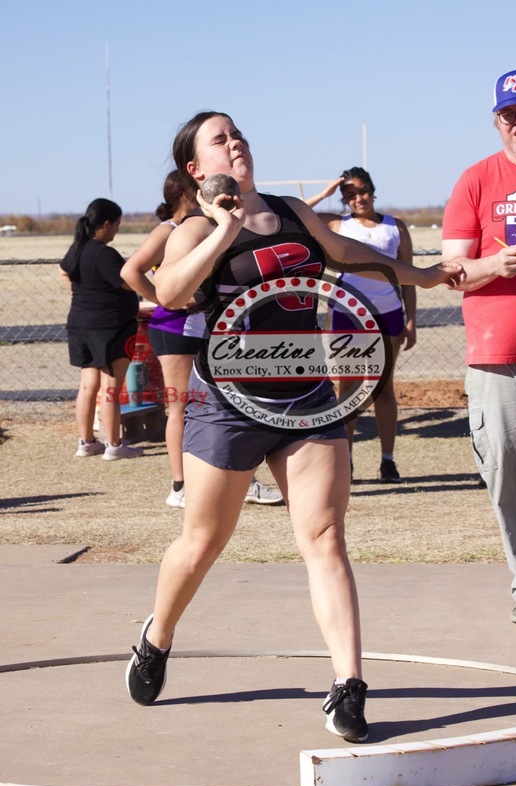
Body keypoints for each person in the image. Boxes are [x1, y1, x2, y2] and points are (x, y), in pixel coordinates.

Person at [125, 111, 464, 742]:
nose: (237, 142)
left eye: (239, 133)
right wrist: (223, 227)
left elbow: (346, 253)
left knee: (326, 536)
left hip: (307, 395)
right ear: (197, 168)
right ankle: (157, 636)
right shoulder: (194, 226)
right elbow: (169, 292)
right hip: (226, 400)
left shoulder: (289, 210)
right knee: (203, 542)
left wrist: (426, 274)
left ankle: (348, 687)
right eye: (220, 139)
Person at [121, 171, 283, 508]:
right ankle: (181, 486)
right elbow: (130, 271)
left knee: (214, 405)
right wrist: (164, 299)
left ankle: (235, 479)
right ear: (187, 193)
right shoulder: (173, 229)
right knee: (181, 406)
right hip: (176, 327)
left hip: (203, 328)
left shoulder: (213, 227)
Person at [442, 67, 516, 625]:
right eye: (512, 115)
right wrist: (494, 265)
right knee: (509, 469)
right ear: (497, 121)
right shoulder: (476, 180)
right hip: (499, 352)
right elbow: (451, 272)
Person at [306, 168, 416, 483]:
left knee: (383, 389)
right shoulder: (339, 224)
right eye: (350, 195)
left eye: (363, 191)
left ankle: (388, 461)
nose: (358, 199)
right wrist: (326, 193)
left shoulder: (396, 227)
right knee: (349, 390)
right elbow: (299, 213)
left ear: (373, 190)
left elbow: (409, 279)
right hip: (347, 318)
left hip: (388, 316)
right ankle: (346, 461)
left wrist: (411, 321)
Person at [59, 198, 143, 460]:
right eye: (116, 225)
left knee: (87, 386)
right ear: (106, 224)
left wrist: (83, 294)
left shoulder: (78, 248)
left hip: (80, 324)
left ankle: (86, 442)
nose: (117, 230)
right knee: (111, 388)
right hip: (109, 327)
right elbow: (127, 281)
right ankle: (115, 445)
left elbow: (63, 271)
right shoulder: (104, 253)